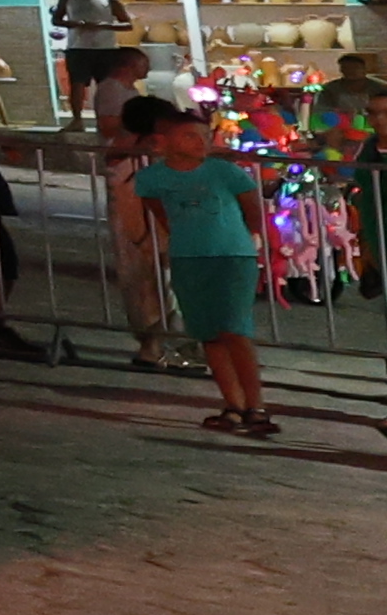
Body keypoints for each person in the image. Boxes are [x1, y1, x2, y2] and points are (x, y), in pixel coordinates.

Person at [120, 104, 284, 442]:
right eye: (189, 136)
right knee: (209, 333)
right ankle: (232, 403)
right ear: (162, 141)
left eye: (204, 136)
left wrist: (257, 243)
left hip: (231, 255)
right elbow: (162, 215)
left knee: (235, 330)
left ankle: (257, 405)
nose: (199, 142)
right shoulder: (151, 178)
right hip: (189, 257)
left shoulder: (225, 172)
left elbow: (252, 209)